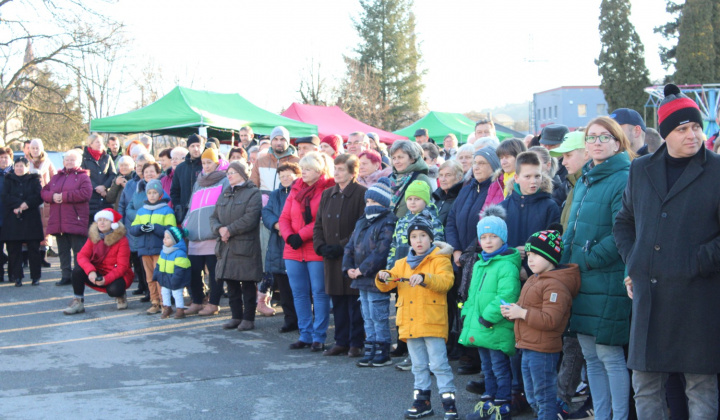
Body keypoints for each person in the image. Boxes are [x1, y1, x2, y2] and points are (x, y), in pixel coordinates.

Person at [615, 84, 720, 420]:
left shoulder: (717, 170)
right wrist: (634, 264)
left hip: (699, 296)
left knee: (700, 388)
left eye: (696, 127)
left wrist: (695, 262)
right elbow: (624, 222)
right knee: (645, 388)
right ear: (665, 133)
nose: (692, 135)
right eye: (682, 129)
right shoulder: (640, 169)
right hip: (650, 297)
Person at [561, 116, 633, 420]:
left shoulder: (625, 176)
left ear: (617, 142)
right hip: (581, 279)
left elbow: (623, 230)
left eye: (605, 137)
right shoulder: (586, 177)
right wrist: (565, 260)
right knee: (590, 355)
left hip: (607, 278)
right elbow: (572, 228)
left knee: (609, 355)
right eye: (591, 138)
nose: (597, 143)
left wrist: (587, 259)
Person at [376, 215, 457, 420]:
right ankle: (422, 403)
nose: (418, 240)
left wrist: (424, 278)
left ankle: (449, 403)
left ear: (431, 238)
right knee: (418, 365)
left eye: (423, 235)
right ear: (409, 239)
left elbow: (446, 282)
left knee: (439, 364)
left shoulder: (440, 259)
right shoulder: (402, 262)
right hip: (410, 323)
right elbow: (389, 282)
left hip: (432, 322)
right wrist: (382, 276)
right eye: (414, 236)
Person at [502, 228, 580, 420]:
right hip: (527, 346)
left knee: (544, 396)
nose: (530, 259)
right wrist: (512, 312)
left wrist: (522, 313)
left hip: (543, 350)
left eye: (536, 255)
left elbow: (550, 320)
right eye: (528, 255)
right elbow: (525, 308)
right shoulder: (533, 279)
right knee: (533, 396)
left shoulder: (555, 285)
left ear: (550, 256)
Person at [460, 206, 522, 420]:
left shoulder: (506, 265)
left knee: (499, 366)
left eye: (493, 236)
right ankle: (488, 401)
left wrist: (487, 317)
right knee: (486, 366)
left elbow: (507, 294)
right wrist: (467, 313)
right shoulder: (480, 263)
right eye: (483, 237)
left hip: (494, 325)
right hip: (480, 324)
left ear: (502, 238)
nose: (488, 241)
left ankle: (502, 404)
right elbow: (473, 294)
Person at [279, 151, 335, 352]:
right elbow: (284, 217)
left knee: (319, 293)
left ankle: (319, 336)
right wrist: (288, 236)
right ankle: (305, 334)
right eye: (302, 168)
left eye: (308, 169)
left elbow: (320, 220)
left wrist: (300, 235)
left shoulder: (327, 189)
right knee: (299, 293)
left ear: (319, 171)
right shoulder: (295, 189)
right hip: (293, 249)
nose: (304, 172)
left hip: (314, 248)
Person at [313, 154, 367, 357]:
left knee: (353, 301)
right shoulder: (328, 194)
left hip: (351, 256)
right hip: (331, 257)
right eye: (335, 169)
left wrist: (343, 246)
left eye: (342, 169)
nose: (337, 173)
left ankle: (356, 342)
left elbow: (362, 226)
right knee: (337, 300)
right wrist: (320, 246)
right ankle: (341, 341)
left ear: (353, 172)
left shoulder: (362, 193)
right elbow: (318, 224)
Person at [343, 177, 398, 367]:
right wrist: (348, 267)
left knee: (379, 315)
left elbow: (382, 251)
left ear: (383, 203)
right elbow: (350, 245)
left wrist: (362, 269)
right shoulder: (362, 221)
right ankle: (371, 347)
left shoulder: (388, 221)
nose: (370, 205)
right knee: (367, 315)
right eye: (368, 201)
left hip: (375, 278)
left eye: (374, 201)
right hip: (360, 278)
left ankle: (383, 350)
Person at [209, 160, 263, 330]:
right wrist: (219, 230)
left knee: (247, 283)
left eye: (232, 172)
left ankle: (248, 318)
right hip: (226, 245)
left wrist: (229, 230)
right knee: (231, 283)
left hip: (244, 246)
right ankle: (235, 316)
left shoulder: (253, 193)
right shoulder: (225, 193)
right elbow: (213, 217)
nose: (229, 175)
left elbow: (251, 218)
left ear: (241, 173)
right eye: (228, 173)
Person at [183, 148, 230, 316]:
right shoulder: (199, 181)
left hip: (212, 234)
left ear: (217, 162)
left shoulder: (224, 180)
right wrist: (186, 223)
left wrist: (220, 227)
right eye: (204, 163)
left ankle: (213, 303)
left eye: (209, 162)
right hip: (195, 234)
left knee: (214, 271)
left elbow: (224, 206)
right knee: (194, 270)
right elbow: (192, 206)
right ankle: (197, 301)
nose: (206, 166)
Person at [63, 208, 133, 314]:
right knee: (77, 270)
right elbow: (82, 256)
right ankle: (78, 301)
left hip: (116, 275)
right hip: (97, 271)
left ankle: (120, 295)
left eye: (105, 220)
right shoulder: (93, 237)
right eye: (99, 220)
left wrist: (106, 279)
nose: (102, 222)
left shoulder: (122, 240)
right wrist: (91, 271)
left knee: (114, 289)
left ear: (113, 223)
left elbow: (122, 267)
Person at [41, 149, 93, 287]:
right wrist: (52, 197)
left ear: (79, 162)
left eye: (72, 159)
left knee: (78, 251)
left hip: (75, 219)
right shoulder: (56, 177)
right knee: (63, 251)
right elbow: (44, 191)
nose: (69, 162)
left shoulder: (83, 177)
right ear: (63, 161)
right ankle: (65, 275)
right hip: (58, 221)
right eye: (67, 159)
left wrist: (63, 197)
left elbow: (86, 193)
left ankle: (79, 276)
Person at [262, 163, 301, 332]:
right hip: (278, 243)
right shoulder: (275, 194)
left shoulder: (300, 192)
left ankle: (303, 319)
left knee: (299, 287)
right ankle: (289, 319)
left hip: (295, 241)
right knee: (284, 288)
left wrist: (286, 229)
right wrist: (277, 225)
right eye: (282, 176)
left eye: (288, 175)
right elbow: (266, 213)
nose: (285, 179)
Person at [129, 178, 177, 315]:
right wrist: (141, 228)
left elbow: (171, 230)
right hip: (145, 250)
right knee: (149, 278)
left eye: (155, 192)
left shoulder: (167, 210)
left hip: (160, 250)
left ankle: (165, 303)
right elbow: (133, 229)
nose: (152, 195)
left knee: (161, 277)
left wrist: (155, 227)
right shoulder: (142, 211)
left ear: (160, 194)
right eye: (149, 192)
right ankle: (154, 302)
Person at [1, 157, 43, 286]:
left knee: (34, 250)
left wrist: (26, 204)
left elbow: (39, 196)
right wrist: (19, 205)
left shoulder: (34, 179)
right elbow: (4, 196)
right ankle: (17, 276)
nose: (19, 168)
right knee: (14, 250)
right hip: (13, 218)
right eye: (17, 166)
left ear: (27, 167)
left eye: (22, 166)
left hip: (31, 219)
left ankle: (35, 277)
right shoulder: (8, 179)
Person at [118, 153, 154, 301]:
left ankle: (149, 290)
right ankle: (142, 286)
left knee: (145, 258)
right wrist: (120, 220)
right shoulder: (131, 184)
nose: (140, 169)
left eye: (143, 166)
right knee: (135, 257)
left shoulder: (152, 184)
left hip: (145, 226)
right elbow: (123, 204)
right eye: (138, 166)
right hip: (130, 225)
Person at [386, 182, 444, 270]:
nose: (412, 202)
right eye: (409, 199)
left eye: (417, 199)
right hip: (400, 267)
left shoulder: (432, 221)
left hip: (421, 268)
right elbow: (394, 245)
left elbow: (437, 245)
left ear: (425, 200)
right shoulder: (401, 221)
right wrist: (390, 268)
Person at [549, 132, 588, 230]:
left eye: (568, 155)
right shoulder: (571, 183)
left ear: (586, 153)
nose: (563, 162)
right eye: (563, 156)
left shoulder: (590, 185)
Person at [28, 138, 57, 267]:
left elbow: (55, 178)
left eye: (37, 148)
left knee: (45, 229)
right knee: (29, 228)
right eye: (33, 148)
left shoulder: (48, 162)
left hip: (45, 200)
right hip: (29, 199)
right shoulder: (25, 162)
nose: (35, 150)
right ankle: (27, 258)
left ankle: (42, 257)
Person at [388, 140, 434, 218]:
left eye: (400, 157)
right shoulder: (390, 178)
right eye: (394, 158)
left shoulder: (420, 179)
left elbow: (425, 209)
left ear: (412, 159)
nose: (396, 161)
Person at [250, 126, 299, 199]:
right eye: (275, 139)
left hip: (288, 203)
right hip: (265, 204)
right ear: (271, 141)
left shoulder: (297, 162)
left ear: (288, 142)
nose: (279, 143)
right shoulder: (261, 161)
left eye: (282, 139)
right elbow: (253, 186)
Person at [154, 226, 190, 319]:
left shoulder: (180, 253)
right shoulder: (163, 251)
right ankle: (167, 307)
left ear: (175, 240)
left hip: (175, 278)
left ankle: (180, 310)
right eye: (164, 237)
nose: (165, 240)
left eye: (168, 238)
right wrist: (156, 274)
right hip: (165, 277)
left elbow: (180, 269)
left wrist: (176, 279)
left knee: (177, 293)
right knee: (164, 292)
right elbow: (159, 264)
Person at [81, 134, 117, 224]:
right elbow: (84, 176)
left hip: (104, 197)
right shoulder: (84, 159)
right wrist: (96, 187)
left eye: (101, 142)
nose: (100, 144)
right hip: (91, 197)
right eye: (97, 142)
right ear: (91, 144)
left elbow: (113, 174)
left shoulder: (107, 157)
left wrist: (104, 186)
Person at [170, 134, 205, 223]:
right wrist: (178, 206)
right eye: (192, 146)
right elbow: (174, 191)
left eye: (198, 146)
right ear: (188, 148)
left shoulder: (207, 166)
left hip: (203, 211)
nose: (196, 149)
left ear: (203, 147)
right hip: (185, 214)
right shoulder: (180, 168)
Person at [431, 160, 464, 226]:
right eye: (441, 175)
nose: (443, 179)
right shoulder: (438, 197)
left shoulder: (462, 199)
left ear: (459, 178)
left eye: (448, 175)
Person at [0, 147, 13, 281]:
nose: (3, 160)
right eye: (1, 157)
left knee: (13, 249)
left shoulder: (16, 174)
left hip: (12, 217)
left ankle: (13, 274)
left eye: (6, 157)